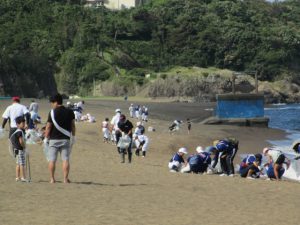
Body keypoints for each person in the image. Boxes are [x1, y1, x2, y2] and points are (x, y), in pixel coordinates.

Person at [44, 93, 76, 184]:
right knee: (65, 159)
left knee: (52, 160)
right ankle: (65, 179)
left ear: (56, 102)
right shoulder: (70, 111)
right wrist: (73, 137)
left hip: (53, 139)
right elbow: (73, 126)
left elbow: (48, 127)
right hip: (65, 139)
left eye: (52, 102)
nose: (51, 104)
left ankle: (52, 179)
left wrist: (46, 138)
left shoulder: (52, 112)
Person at [10, 116, 28, 182]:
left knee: (18, 164)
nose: (24, 124)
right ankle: (23, 177)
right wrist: (24, 147)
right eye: (22, 123)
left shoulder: (17, 131)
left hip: (16, 150)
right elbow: (21, 141)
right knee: (22, 164)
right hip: (20, 150)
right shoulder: (20, 132)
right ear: (17, 124)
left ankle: (17, 177)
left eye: (24, 123)